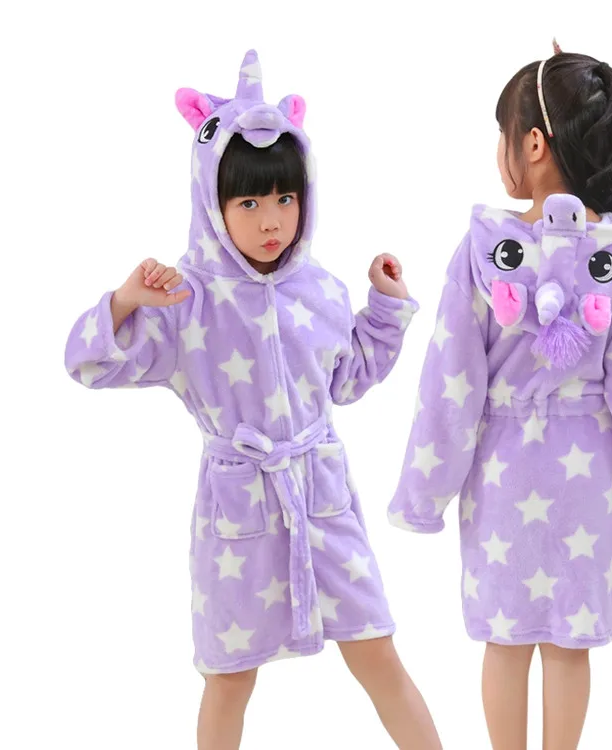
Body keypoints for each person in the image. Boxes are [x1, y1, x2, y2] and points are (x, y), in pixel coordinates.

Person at [65, 49, 442, 750]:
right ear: (212, 205)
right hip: (238, 512)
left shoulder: (320, 289)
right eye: (248, 202)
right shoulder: (186, 300)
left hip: (322, 499)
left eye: (284, 199)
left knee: (377, 651)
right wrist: (125, 302)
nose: (272, 220)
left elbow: (349, 378)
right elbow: (86, 364)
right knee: (229, 677)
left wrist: (386, 306)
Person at [387, 41, 612, 750]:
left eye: (503, 133)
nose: (500, 149)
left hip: (502, 477)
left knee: (506, 638)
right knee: (570, 646)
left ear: (533, 144)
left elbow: (450, 384)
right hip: (589, 485)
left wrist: (424, 493)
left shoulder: (484, 250)